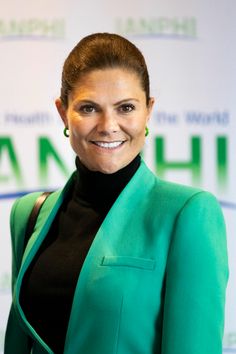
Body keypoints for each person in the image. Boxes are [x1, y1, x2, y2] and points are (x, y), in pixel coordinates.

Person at [4, 32, 228, 354]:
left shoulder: (188, 214)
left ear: (148, 110)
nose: (108, 125)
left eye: (125, 107)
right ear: (62, 111)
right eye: (89, 108)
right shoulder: (29, 213)